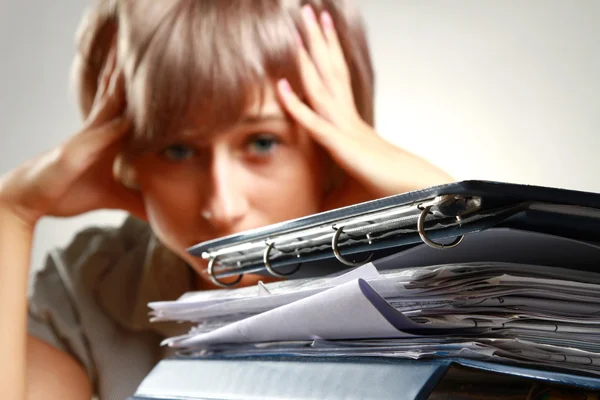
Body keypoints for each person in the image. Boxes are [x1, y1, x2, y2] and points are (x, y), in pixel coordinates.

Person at [0, 0, 452, 399]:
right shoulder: (90, 283)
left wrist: (444, 202)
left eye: (261, 143)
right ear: (126, 158)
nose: (222, 205)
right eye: (177, 150)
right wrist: (12, 212)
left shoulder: (418, 270)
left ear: (331, 150)